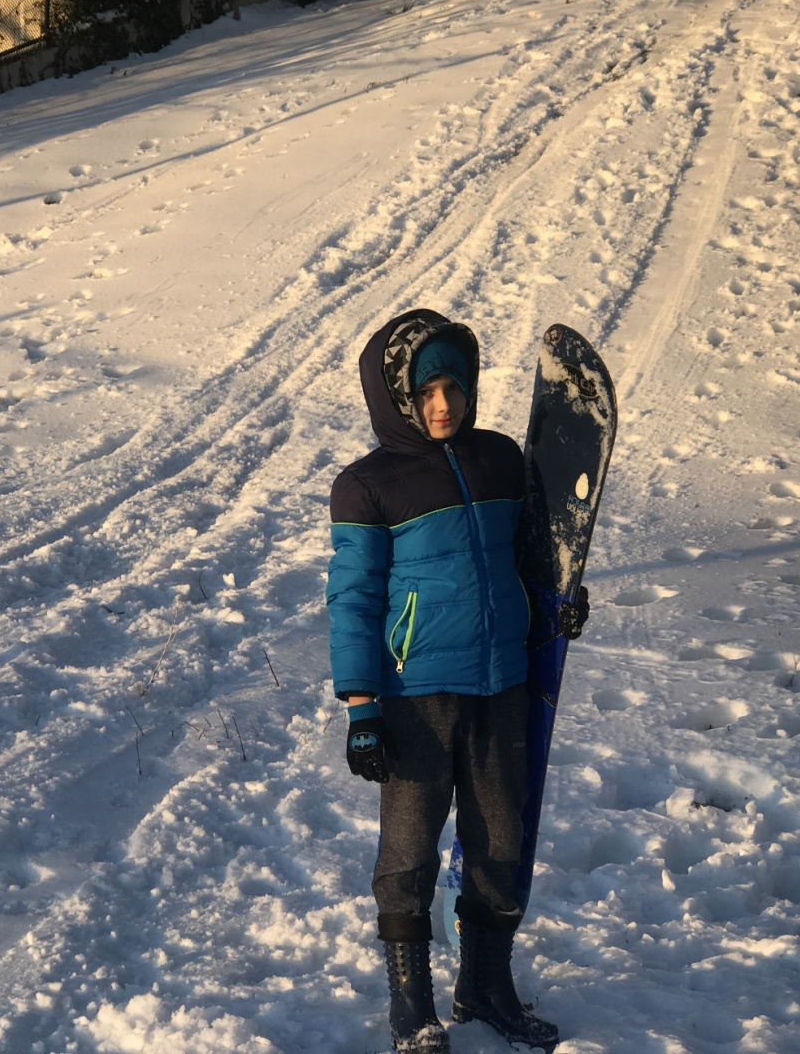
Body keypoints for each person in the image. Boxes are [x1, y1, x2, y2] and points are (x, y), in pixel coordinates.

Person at [327, 309, 587, 1053]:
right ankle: (411, 1006)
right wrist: (361, 707)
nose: (445, 404)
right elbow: (352, 599)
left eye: (456, 386)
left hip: (502, 682)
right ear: (399, 396)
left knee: (501, 842)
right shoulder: (366, 486)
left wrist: (559, 606)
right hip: (414, 697)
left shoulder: (502, 459)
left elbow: (534, 561)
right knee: (408, 852)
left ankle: (486, 986)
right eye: (428, 389)